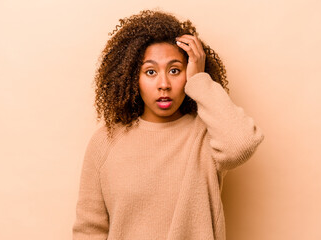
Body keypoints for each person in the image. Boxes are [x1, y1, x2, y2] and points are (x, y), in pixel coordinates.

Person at [72, 10, 264, 240]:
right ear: (134, 78)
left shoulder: (206, 135)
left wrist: (199, 81)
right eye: (150, 72)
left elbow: (241, 144)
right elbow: (89, 230)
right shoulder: (105, 142)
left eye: (175, 70)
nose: (164, 84)